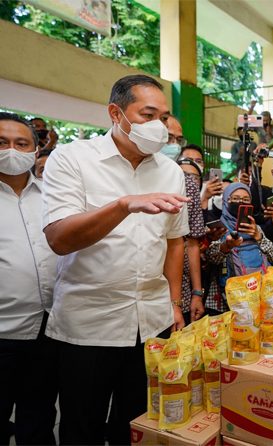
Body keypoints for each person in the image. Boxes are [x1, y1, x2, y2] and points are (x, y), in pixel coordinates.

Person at [41, 74, 189, 445]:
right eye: (147, 114)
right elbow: (59, 239)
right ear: (115, 113)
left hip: (152, 322)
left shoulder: (170, 171)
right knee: (82, 426)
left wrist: (174, 303)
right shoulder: (73, 160)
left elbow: (174, 242)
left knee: (137, 423)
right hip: (89, 324)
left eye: (164, 117)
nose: (159, 126)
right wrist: (123, 206)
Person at [0, 112, 58, 445]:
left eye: (21, 143)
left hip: (46, 331)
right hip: (3, 331)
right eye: (2, 142)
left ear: (35, 151)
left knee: (38, 420)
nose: (12, 150)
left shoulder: (51, 196)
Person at [205, 183, 273, 312]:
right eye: (235, 198)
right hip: (226, 299)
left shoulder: (255, 228)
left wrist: (258, 236)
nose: (239, 202)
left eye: (245, 200)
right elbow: (211, 258)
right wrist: (226, 246)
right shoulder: (218, 228)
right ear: (226, 201)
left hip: (257, 294)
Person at [171, 121, 206, 326]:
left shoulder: (187, 185)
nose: (172, 144)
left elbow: (191, 244)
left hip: (180, 291)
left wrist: (196, 293)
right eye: (168, 138)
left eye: (177, 139)